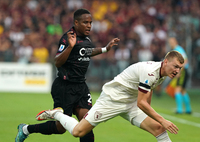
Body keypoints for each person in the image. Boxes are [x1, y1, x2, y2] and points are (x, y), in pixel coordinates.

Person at [15, 8, 119, 142]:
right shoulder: (67, 38)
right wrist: (70, 47)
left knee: (86, 124)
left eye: (90, 22)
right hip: (65, 87)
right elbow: (57, 62)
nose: (89, 25)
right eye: (85, 22)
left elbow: (86, 51)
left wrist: (105, 49)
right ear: (76, 22)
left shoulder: (86, 39)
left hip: (81, 86)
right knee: (60, 128)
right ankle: (26, 129)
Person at [34, 50, 183, 142]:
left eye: (180, 68)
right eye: (175, 66)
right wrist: (163, 119)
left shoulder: (162, 73)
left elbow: (145, 99)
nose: (177, 71)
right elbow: (142, 103)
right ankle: (57, 114)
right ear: (165, 62)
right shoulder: (150, 72)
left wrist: (156, 120)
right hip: (112, 99)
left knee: (158, 128)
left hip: (130, 103)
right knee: (78, 132)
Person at [168, 36, 192, 114]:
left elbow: (185, 61)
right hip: (184, 71)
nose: (170, 43)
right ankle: (188, 109)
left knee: (177, 90)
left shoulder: (178, 49)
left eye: (171, 42)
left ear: (175, 41)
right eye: (169, 42)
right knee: (182, 90)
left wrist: (179, 71)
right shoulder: (177, 49)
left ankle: (179, 109)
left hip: (183, 72)